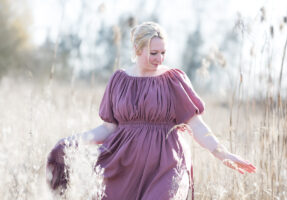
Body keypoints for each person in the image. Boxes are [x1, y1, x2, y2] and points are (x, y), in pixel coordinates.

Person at [46, 21, 256, 200]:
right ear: (138, 50)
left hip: (167, 165)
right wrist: (76, 140)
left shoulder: (174, 80)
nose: (159, 59)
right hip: (123, 165)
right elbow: (108, 129)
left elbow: (196, 125)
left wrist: (222, 153)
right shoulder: (119, 80)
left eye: (163, 53)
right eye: (154, 53)